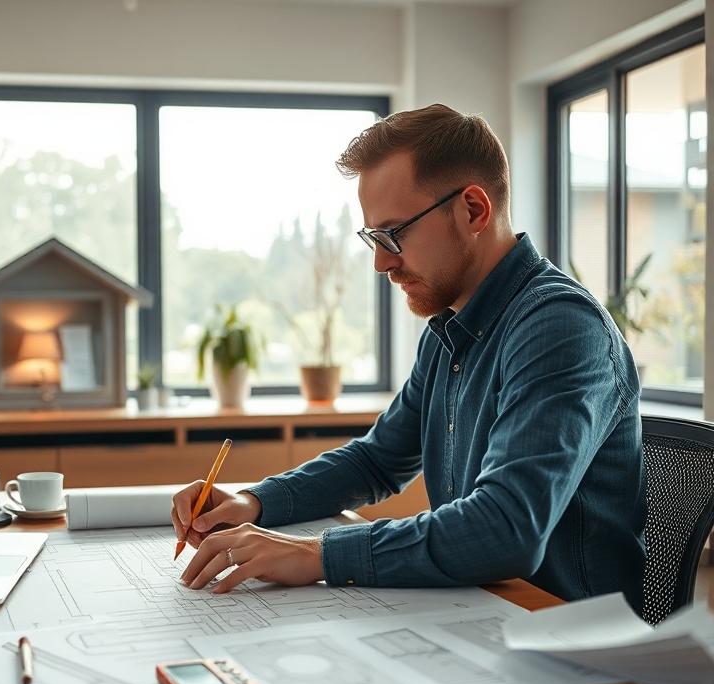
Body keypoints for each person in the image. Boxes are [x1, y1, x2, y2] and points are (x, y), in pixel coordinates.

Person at [173, 103, 646, 613]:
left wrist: (317, 554)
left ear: (473, 210)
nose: (381, 262)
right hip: (481, 613)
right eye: (373, 237)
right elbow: (378, 459)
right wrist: (256, 502)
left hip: (567, 642)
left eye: (394, 234)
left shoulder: (559, 327)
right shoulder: (451, 326)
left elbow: (506, 528)